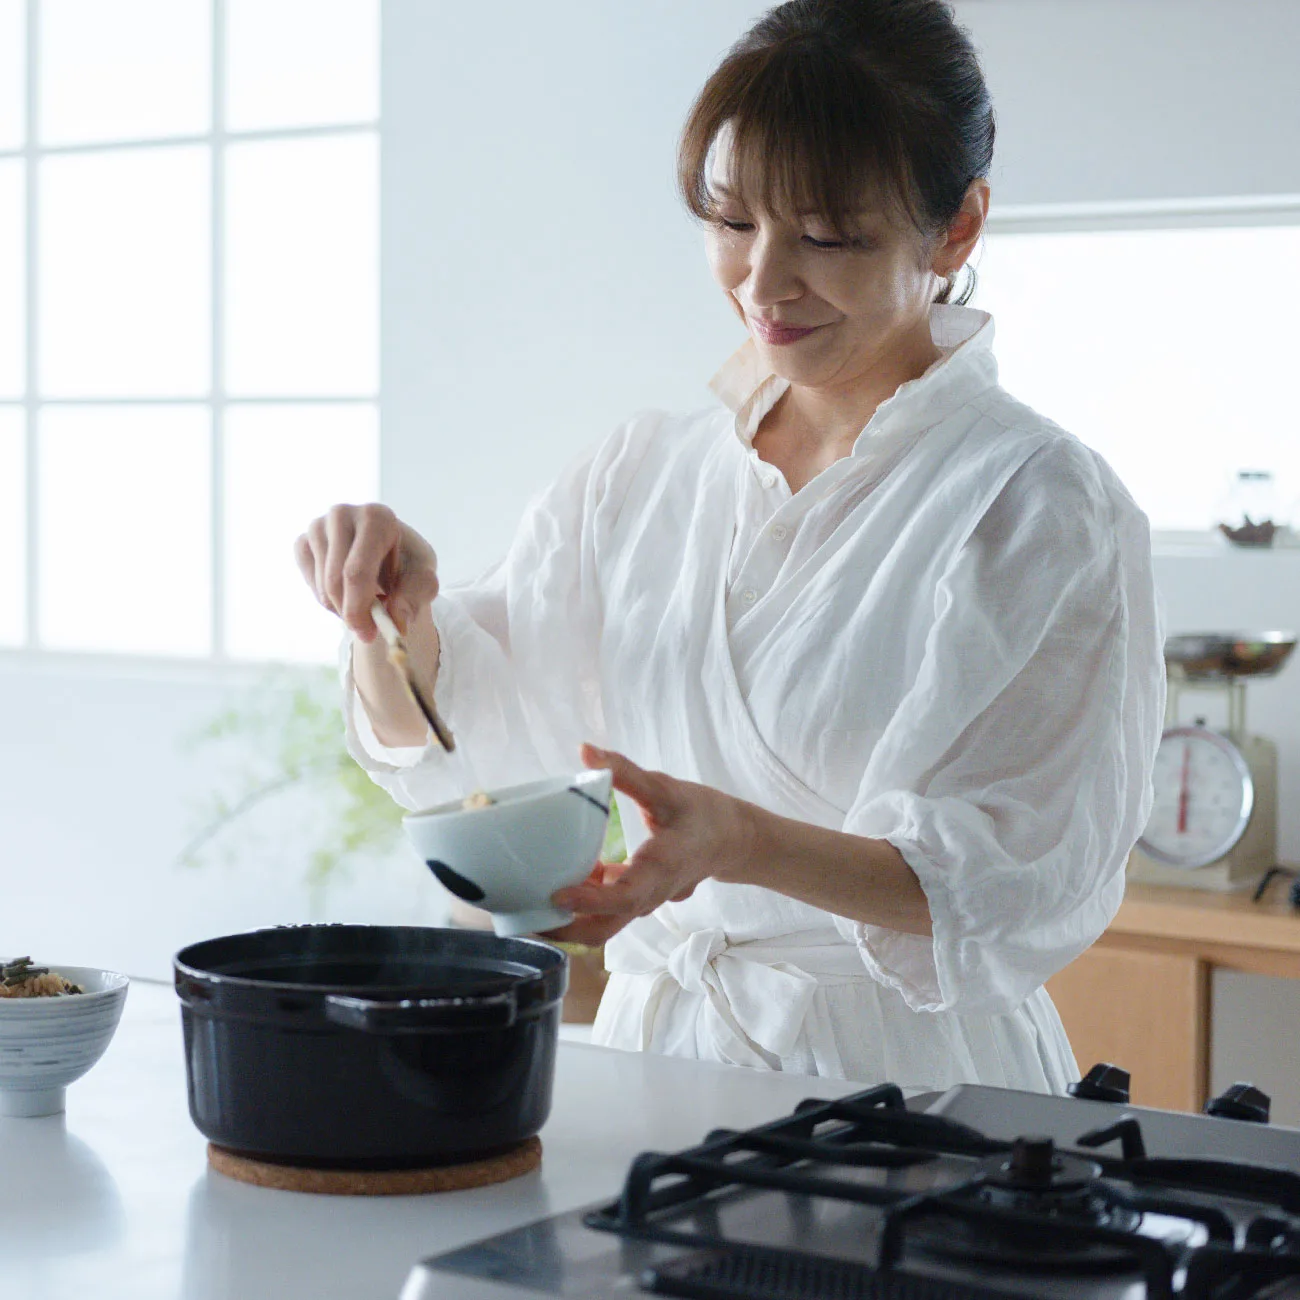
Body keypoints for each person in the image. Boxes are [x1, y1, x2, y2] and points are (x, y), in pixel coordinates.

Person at [295, 0, 1164, 1092]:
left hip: (910, 1094)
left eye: (827, 235)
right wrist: (390, 617)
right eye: (730, 221)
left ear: (957, 228)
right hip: (661, 1066)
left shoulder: (1037, 505)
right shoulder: (640, 477)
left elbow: (1010, 888)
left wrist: (745, 844)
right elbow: (471, 751)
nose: (761, 283)